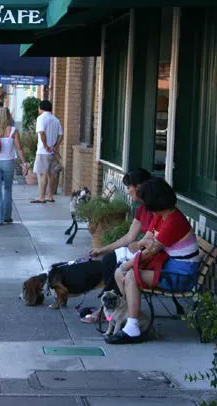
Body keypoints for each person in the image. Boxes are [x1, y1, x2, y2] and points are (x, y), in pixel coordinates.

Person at [106, 178, 200, 344]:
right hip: (169, 265)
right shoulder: (161, 215)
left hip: (181, 274)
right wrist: (142, 245)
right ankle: (135, 321)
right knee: (120, 273)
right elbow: (143, 243)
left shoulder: (173, 221)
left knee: (130, 275)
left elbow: (149, 251)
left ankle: (132, 326)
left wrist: (127, 264)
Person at [79, 168, 154, 324]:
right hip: (144, 252)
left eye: (129, 187)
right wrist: (102, 249)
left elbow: (151, 242)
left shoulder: (155, 210)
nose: (127, 191)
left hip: (152, 257)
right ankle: (110, 306)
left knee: (120, 267)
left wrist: (138, 246)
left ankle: (108, 310)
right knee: (108, 259)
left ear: (139, 187)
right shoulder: (142, 209)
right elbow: (130, 236)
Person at [0, 108, 27, 225]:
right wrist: (24, 163)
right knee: (8, 189)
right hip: (8, 163)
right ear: (9, 117)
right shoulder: (13, 131)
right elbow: (19, 149)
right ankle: (7, 216)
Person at [30, 100, 63, 203]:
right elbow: (61, 135)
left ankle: (41, 197)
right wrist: (55, 146)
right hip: (52, 152)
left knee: (42, 174)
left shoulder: (41, 118)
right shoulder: (56, 119)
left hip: (43, 151)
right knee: (52, 174)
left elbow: (42, 133)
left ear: (41, 108)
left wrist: (45, 146)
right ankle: (50, 196)